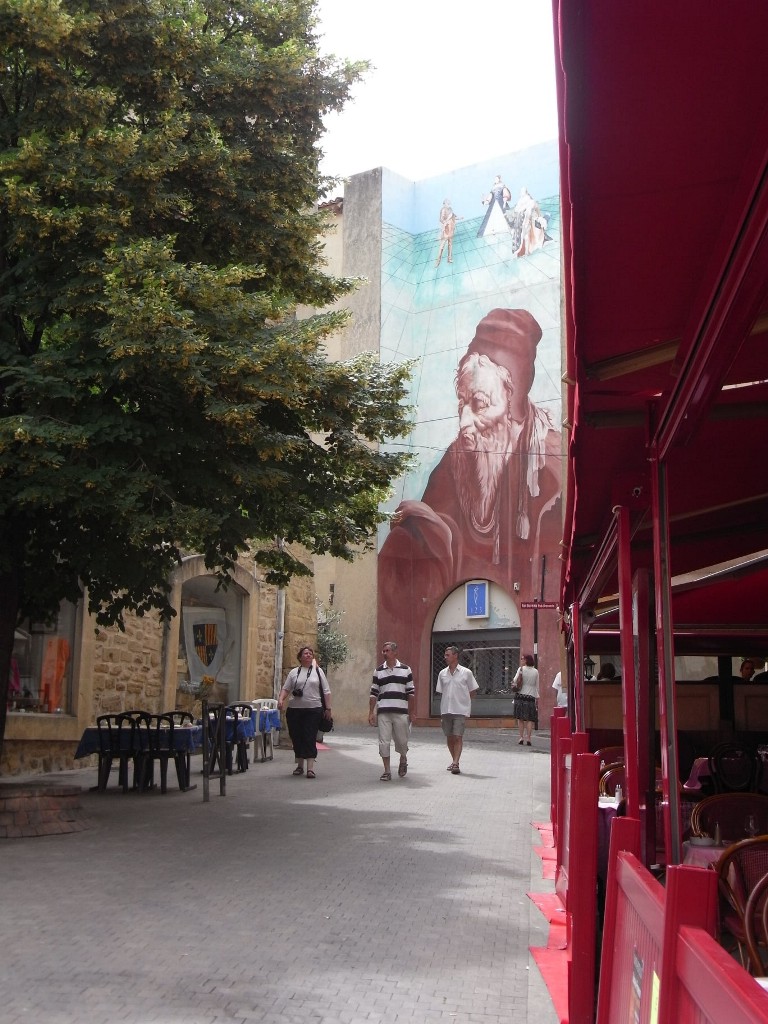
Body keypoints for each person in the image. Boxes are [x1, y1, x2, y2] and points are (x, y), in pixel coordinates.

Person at [379, 309, 562, 634]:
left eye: (478, 404)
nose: (465, 422)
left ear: (513, 405)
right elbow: (432, 553)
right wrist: (429, 527)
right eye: (461, 403)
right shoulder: (455, 459)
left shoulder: (549, 469)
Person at [277, 645, 331, 779]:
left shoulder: (318, 671)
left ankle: (310, 768)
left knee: (310, 737)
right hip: (294, 710)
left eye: (310, 653)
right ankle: (300, 765)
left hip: (314, 709)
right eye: (305, 653)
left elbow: (326, 691)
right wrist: (281, 699)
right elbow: (286, 688)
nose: (308, 655)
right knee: (296, 737)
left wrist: (328, 709)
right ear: (300, 657)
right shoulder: (294, 672)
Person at [369, 641, 415, 781]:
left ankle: (403, 758)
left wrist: (411, 712)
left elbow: (411, 693)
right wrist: (371, 712)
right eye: (383, 651)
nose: (384, 653)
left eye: (387, 650)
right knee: (384, 742)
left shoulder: (406, 670)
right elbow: (373, 693)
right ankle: (387, 771)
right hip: (383, 711)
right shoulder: (378, 671)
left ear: (395, 652)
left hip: (401, 711)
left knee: (402, 741)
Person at [436, 645, 479, 774]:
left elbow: (473, 691)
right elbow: (441, 691)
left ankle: (455, 763)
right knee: (449, 737)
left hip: (460, 710)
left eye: (448, 655)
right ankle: (454, 760)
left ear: (455, 656)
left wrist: (464, 701)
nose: (445, 657)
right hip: (446, 709)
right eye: (445, 655)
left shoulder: (466, 672)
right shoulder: (442, 673)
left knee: (458, 736)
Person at [513, 654, 539, 745]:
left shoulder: (521, 669)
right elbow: (537, 685)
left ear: (526, 660)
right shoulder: (536, 671)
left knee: (520, 718)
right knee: (530, 719)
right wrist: (537, 697)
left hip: (520, 695)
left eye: (522, 659)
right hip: (531, 696)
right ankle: (529, 738)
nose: (521, 660)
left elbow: (515, 680)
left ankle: (521, 737)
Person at [435, 199, 462, 267]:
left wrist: (459, 218)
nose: (449, 205)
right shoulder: (443, 210)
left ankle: (449, 259)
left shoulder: (450, 209)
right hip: (446, 230)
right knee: (442, 247)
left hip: (451, 229)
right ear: (444, 204)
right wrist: (445, 222)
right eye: (447, 203)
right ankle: (438, 261)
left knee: (450, 245)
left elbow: (454, 217)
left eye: (449, 204)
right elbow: (441, 219)